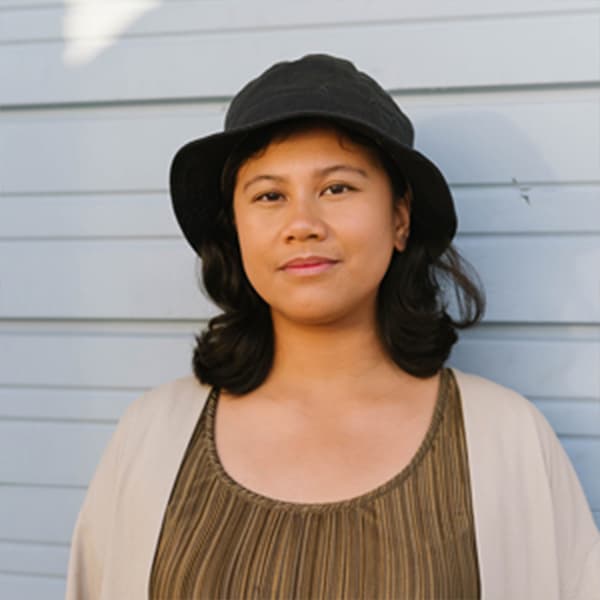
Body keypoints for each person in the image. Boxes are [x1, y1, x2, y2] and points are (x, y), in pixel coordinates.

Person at [66, 54, 600, 599]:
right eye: (270, 196)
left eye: (337, 189)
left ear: (399, 218)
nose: (302, 225)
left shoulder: (506, 438)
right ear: (236, 232)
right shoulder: (152, 436)